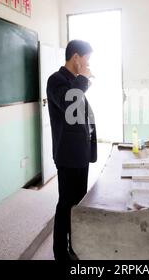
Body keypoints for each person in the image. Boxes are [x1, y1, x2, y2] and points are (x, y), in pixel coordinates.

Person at [46, 40, 97, 260]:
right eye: (87, 58)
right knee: (66, 203)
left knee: (78, 202)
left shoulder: (74, 81)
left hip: (80, 152)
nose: (88, 64)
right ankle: (60, 252)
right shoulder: (56, 80)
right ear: (76, 57)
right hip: (67, 154)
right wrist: (83, 80)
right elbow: (71, 104)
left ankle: (75, 245)